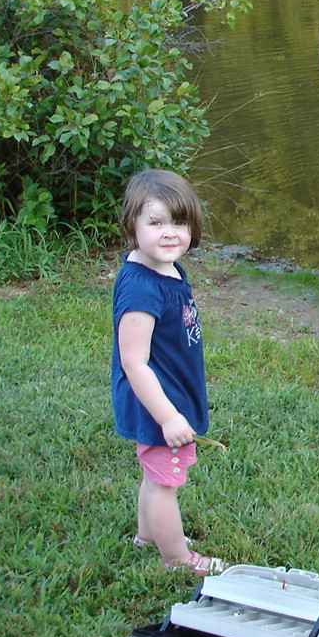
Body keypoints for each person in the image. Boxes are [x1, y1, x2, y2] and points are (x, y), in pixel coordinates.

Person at [111, 169, 224, 576]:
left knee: (155, 474)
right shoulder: (142, 287)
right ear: (131, 226)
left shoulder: (167, 268)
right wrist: (168, 416)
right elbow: (133, 362)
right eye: (155, 222)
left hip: (170, 392)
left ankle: (146, 535)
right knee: (164, 483)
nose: (170, 233)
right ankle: (177, 558)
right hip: (157, 401)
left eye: (179, 222)